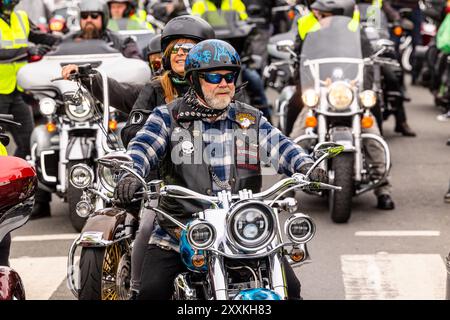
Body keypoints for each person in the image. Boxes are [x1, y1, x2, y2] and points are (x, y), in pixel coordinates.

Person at [114, 39, 328, 300]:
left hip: (243, 228)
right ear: (194, 80)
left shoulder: (247, 119)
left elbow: (281, 146)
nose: (225, 83)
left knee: (291, 289)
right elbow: (142, 148)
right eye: (214, 76)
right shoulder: (167, 117)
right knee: (151, 291)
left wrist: (306, 165)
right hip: (180, 229)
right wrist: (131, 174)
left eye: (230, 76)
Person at [63, 14, 216, 298]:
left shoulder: (219, 87)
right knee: (147, 224)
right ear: (167, 56)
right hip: (163, 180)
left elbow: (249, 131)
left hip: (211, 184)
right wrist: (158, 143)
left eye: (190, 49)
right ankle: (136, 288)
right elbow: (133, 129)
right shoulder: (157, 88)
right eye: (176, 50)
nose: (182, 54)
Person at [289, 0, 395, 210]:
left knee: (373, 134)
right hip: (321, 93)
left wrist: (361, 86)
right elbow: (301, 62)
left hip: (348, 93)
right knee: (297, 135)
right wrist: (311, 86)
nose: (318, 16)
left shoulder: (357, 33)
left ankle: (383, 188)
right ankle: (289, 185)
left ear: (338, 14)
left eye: (323, 14)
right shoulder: (312, 33)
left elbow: (367, 64)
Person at [0, 0, 59, 160]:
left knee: (28, 144)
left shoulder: (21, 17)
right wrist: (28, 50)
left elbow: (41, 37)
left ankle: (13, 177)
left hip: (19, 91)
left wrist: (69, 41)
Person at [64, 0, 141, 59]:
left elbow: (136, 63)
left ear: (104, 17)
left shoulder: (123, 42)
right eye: (84, 16)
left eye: (94, 15)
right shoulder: (67, 40)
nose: (89, 20)